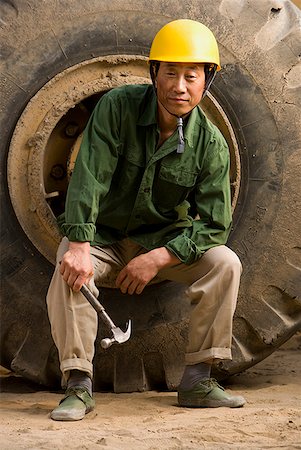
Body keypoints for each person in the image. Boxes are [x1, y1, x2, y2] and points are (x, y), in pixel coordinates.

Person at [47, 19, 246, 421]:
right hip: (102, 239)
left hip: (161, 246)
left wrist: (160, 257)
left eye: (191, 76)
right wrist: (80, 246)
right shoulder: (117, 108)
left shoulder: (211, 145)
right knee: (69, 267)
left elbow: (214, 225)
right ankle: (77, 385)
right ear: (154, 73)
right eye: (170, 73)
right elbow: (89, 175)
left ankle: (197, 381)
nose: (179, 86)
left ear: (206, 80)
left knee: (226, 263)